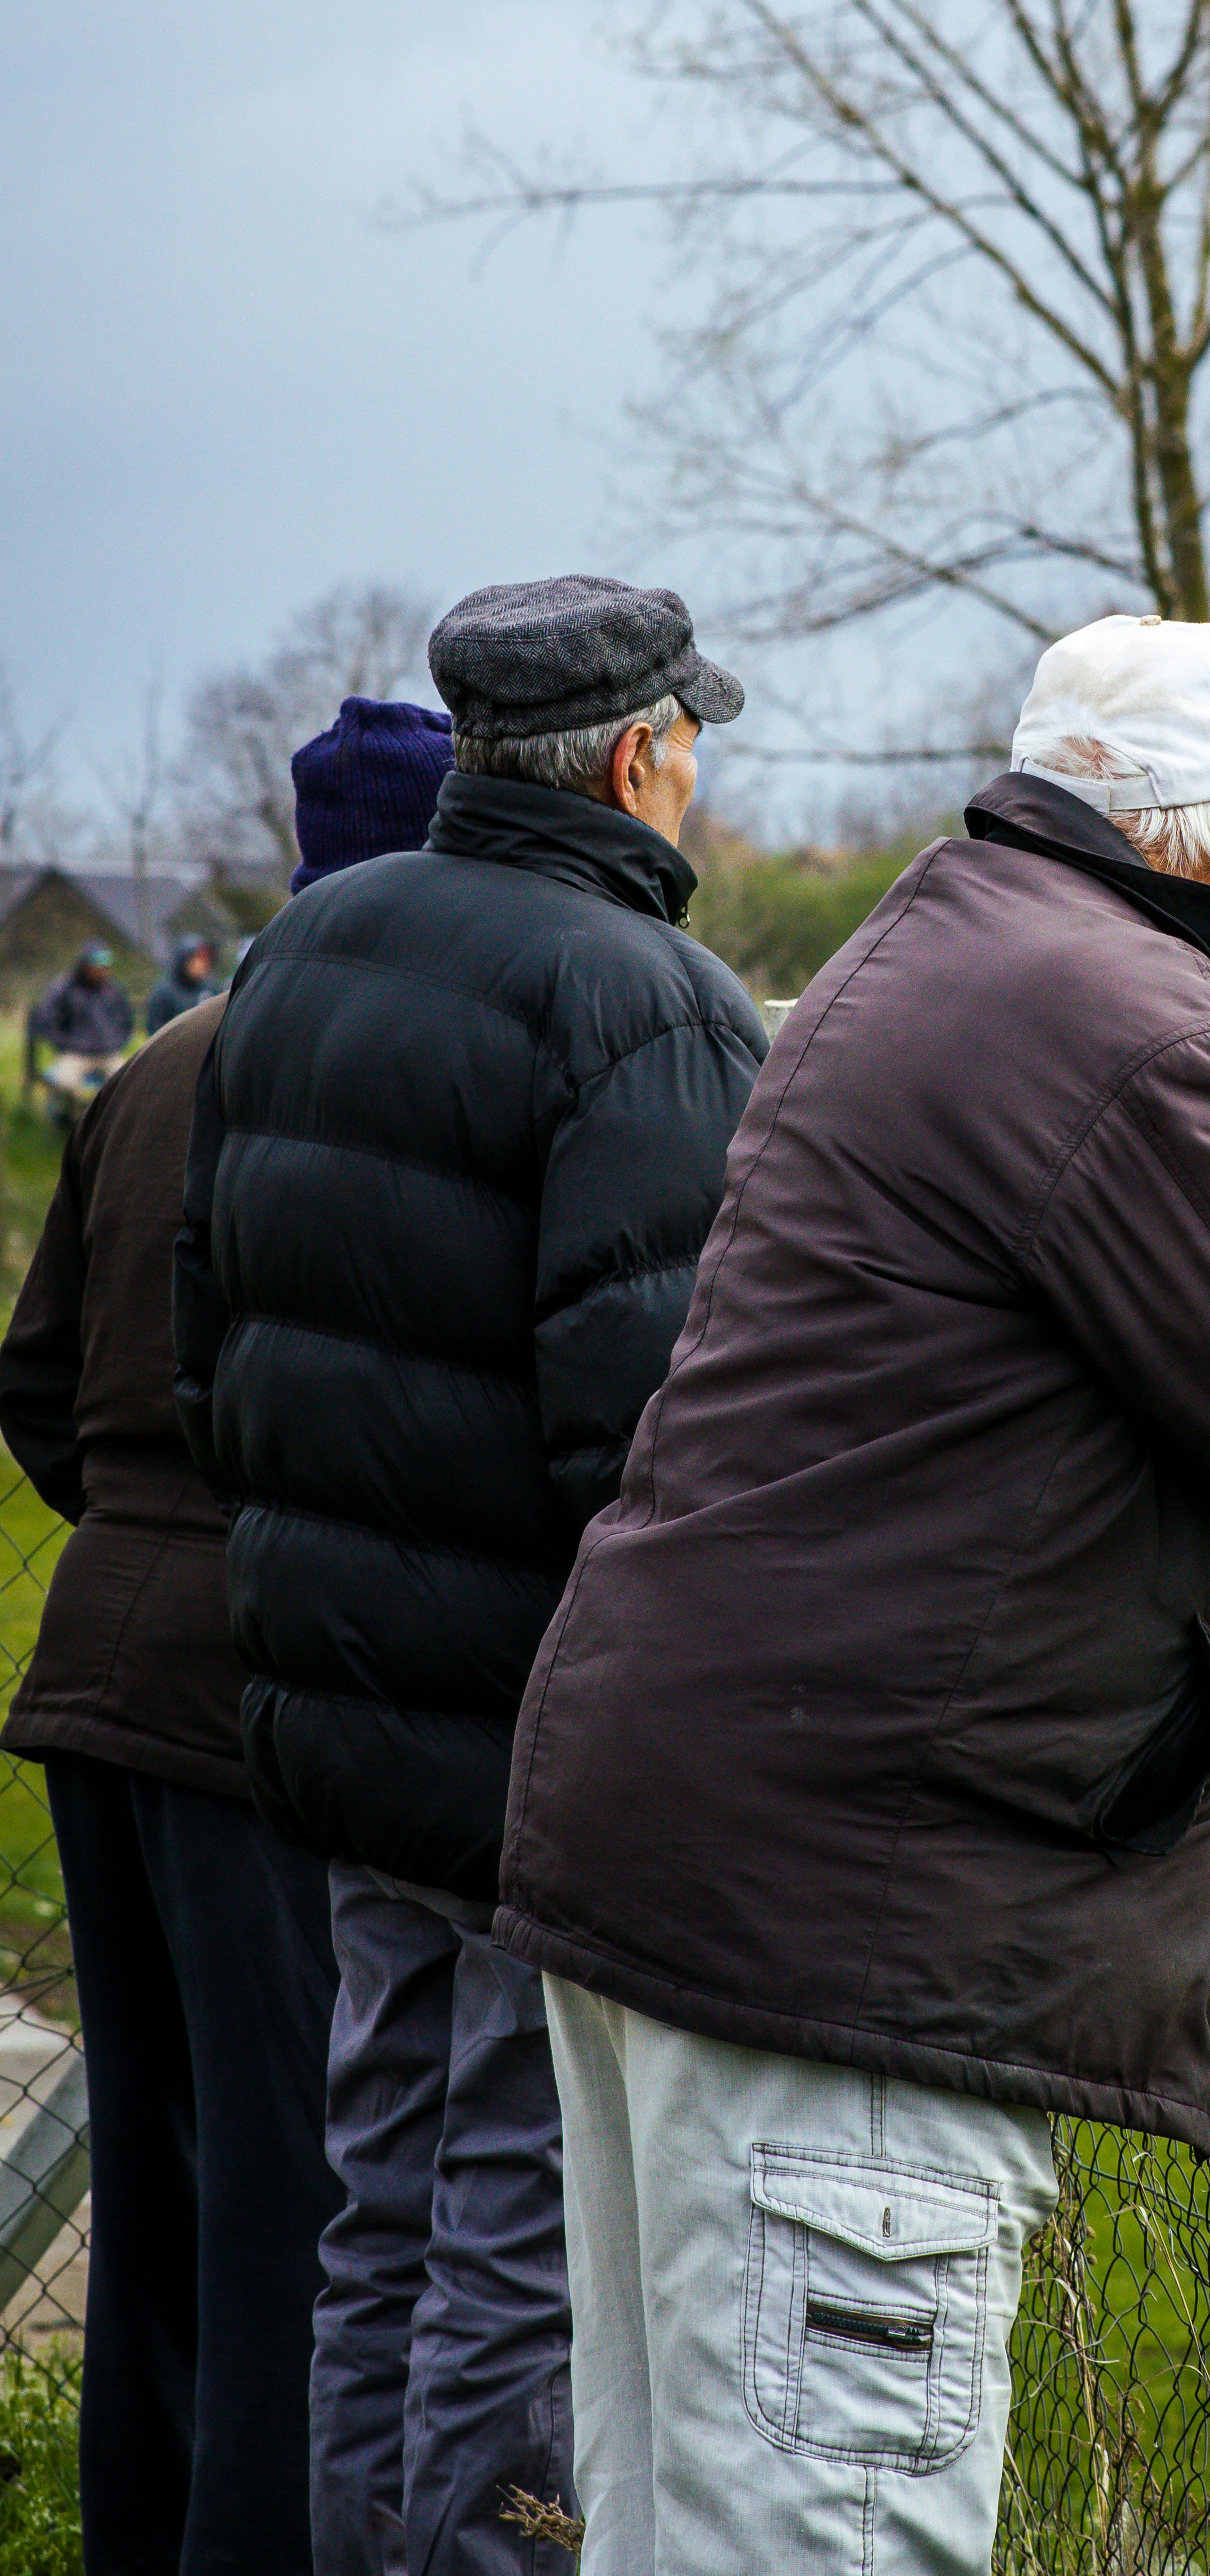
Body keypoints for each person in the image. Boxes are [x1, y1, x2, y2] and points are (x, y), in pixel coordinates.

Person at [495, 611, 1210, 2576]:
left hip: (713, 1864)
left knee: (684, 2536)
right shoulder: (1115, 1032)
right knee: (829, 2538)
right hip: (851, 1938)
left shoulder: (962, 943)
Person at [175, 586, 768, 2576]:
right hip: (526, 1737)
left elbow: (209, 1352)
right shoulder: (642, 998)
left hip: (332, 1708)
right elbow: (660, 1434)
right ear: (635, 756)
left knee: (381, 2219)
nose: (701, 777)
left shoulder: (297, 954)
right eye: (695, 740)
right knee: (521, 2242)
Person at [0, 700, 451, 2576]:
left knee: (167, 2199)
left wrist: (133, 1512)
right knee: (289, 2202)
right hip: (252, 1690)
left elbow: (29, 1383)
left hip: (99, 1666)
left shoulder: (161, 1059)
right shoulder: (369, 1065)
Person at [24, 943, 135, 1122]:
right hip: (75, 1055)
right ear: (84, 966)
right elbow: (45, 1020)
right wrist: (65, 1043)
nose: (102, 971)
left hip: (109, 1054)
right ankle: (72, 1122)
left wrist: (118, 1042)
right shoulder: (64, 989)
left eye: (105, 967)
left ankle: (111, 1126)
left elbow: (127, 1021)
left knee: (131, 1082)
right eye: (97, 967)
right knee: (65, 1083)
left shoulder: (113, 991)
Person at [144, 935, 220, 1035]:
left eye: (205, 959)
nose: (202, 964)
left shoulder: (212, 989)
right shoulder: (164, 993)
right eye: (197, 959)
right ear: (183, 960)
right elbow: (154, 1030)